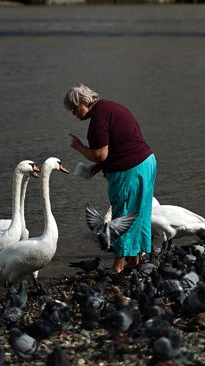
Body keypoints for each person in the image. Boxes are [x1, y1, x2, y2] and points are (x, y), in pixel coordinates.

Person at [65, 84, 156, 273]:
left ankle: (118, 266)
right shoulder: (109, 108)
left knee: (122, 217)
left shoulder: (98, 118)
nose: (74, 114)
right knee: (139, 214)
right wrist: (97, 168)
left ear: (84, 102)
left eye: (74, 108)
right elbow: (117, 145)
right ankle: (135, 260)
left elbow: (100, 155)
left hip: (130, 170)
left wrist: (79, 146)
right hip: (146, 162)